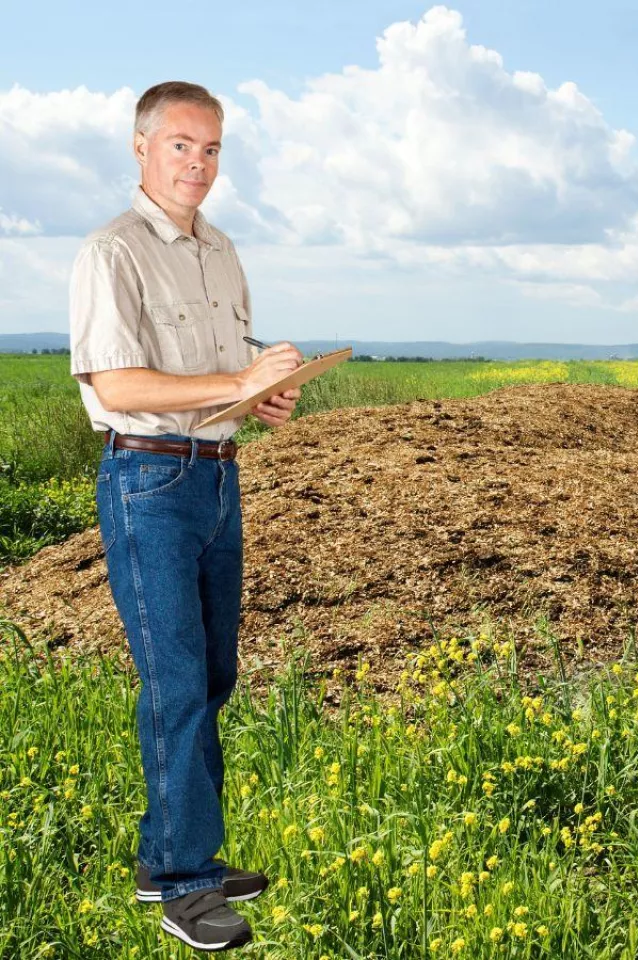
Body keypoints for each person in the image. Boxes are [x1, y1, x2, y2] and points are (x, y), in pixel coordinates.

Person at [68, 80, 303, 952]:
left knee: (210, 680)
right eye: (180, 145)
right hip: (149, 484)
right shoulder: (111, 251)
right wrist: (234, 384)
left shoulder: (222, 250)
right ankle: (185, 885)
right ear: (140, 147)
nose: (198, 165)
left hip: (217, 478)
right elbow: (119, 385)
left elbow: (220, 372)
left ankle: (171, 849)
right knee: (174, 682)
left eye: (211, 150)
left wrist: (261, 392)